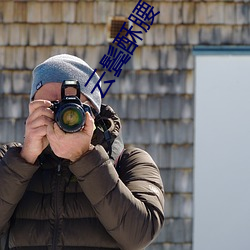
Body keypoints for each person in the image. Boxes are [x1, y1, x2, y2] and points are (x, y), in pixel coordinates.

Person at [0, 54, 164, 250]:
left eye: (69, 107)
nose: (59, 116)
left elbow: (139, 235)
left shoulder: (130, 162)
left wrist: (85, 158)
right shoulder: (9, 160)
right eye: (48, 107)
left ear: (93, 112)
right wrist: (24, 160)